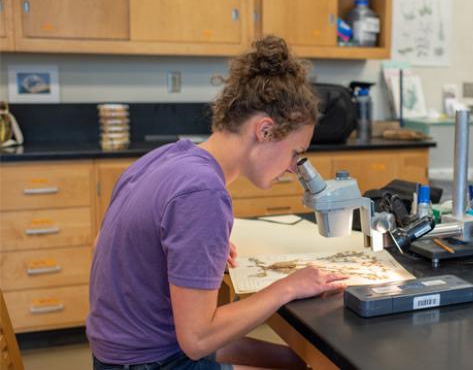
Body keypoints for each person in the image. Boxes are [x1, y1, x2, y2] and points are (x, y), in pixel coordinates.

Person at [87, 35, 349, 370]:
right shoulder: (204, 193)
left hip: (120, 355)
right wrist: (289, 287)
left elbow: (103, 245)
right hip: (152, 362)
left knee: (301, 362)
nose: (292, 168)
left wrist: (181, 256)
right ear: (265, 131)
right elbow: (198, 340)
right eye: (295, 153)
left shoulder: (165, 157)